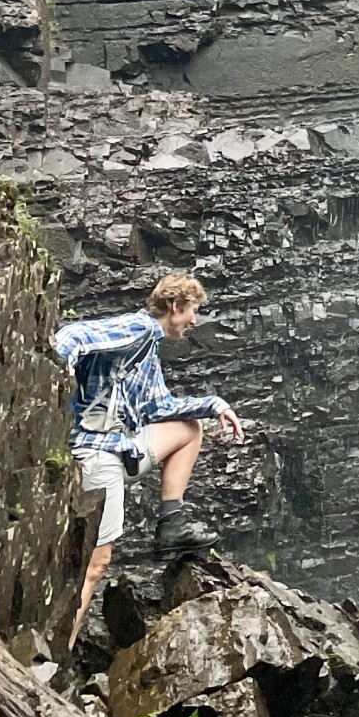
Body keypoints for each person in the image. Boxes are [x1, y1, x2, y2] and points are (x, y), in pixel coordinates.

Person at [54, 272, 243, 646]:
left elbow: (162, 407)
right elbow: (72, 337)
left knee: (189, 429)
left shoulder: (148, 352)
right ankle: (55, 655)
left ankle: (172, 522)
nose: (195, 321)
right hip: (95, 452)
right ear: (175, 306)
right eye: (193, 312)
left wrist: (215, 405)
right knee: (97, 564)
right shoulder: (137, 329)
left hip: (120, 446)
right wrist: (57, 374)